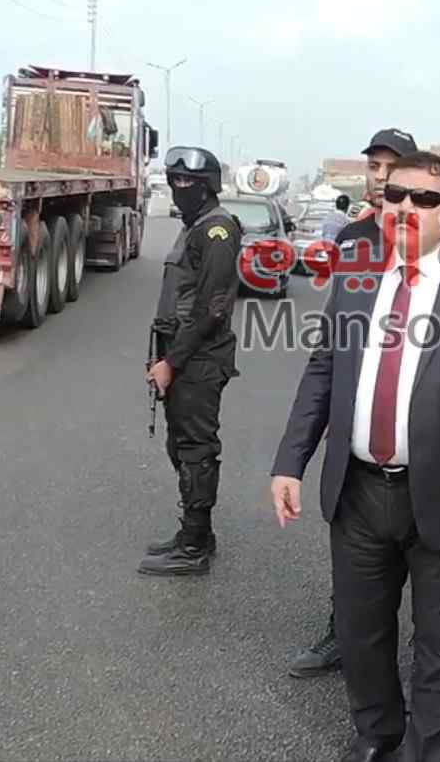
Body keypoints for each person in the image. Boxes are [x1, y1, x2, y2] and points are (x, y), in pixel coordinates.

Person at [270, 150, 440, 762]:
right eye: (395, 195)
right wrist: (289, 461)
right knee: (361, 631)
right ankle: (377, 736)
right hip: (359, 491)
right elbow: (323, 370)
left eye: (424, 198)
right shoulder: (357, 278)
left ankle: (426, 753)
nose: (406, 207)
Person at [289, 125, 418, 679]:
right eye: (374, 166)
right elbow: (332, 343)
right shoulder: (353, 240)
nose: (380, 177)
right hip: (360, 419)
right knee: (354, 555)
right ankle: (343, 633)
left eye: (392, 167)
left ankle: (427, 669)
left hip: (418, 429)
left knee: (426, 563)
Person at [139, 146, 243, 576]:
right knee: (180, 446)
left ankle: (195, 546)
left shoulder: (216, 231)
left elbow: (212, 307)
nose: (179, 187)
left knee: (196, 450)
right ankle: (196, 533)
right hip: (182, 354)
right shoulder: (193, 225)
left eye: (188, 182)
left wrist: (172, 362)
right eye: (175, 180)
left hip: (199, 359)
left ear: (207, 186)